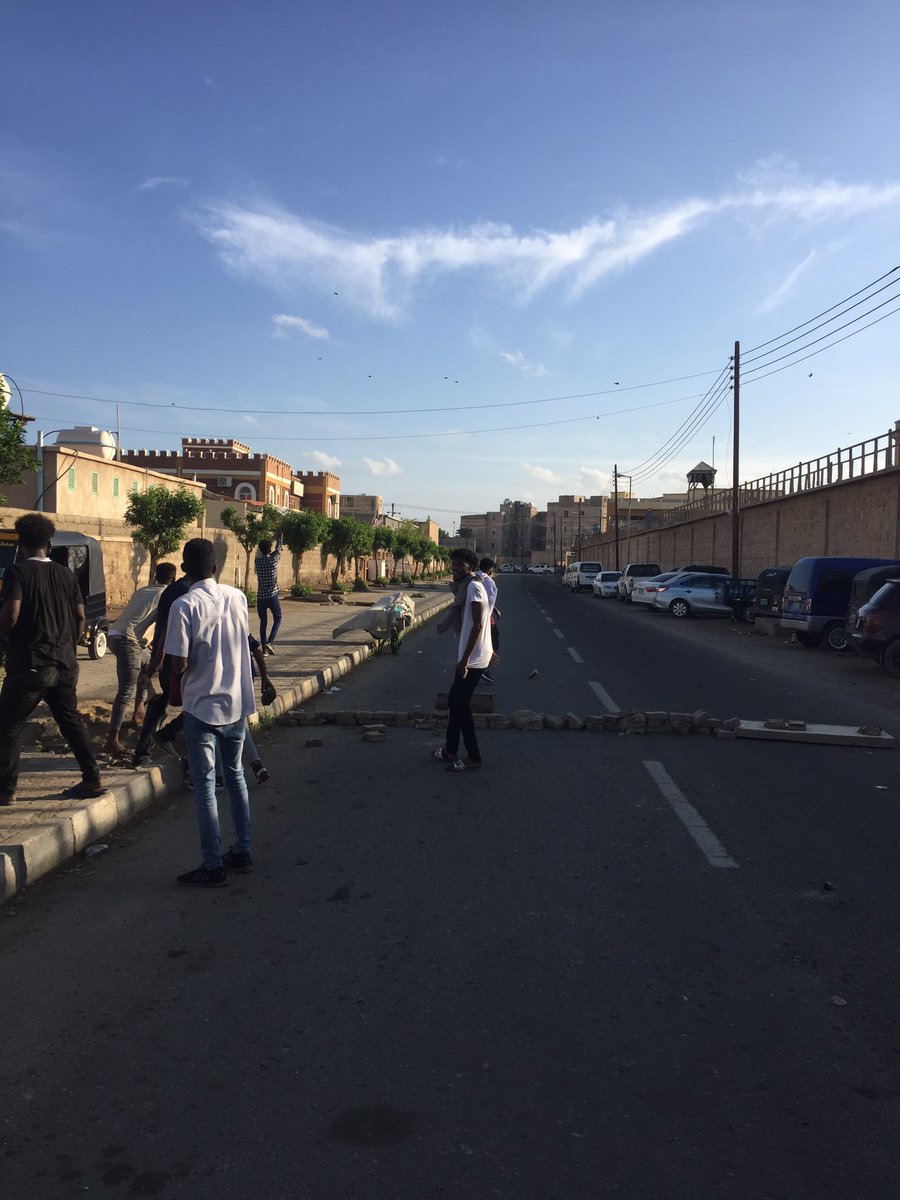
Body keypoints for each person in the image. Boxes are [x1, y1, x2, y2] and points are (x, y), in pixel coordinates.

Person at [165, 538, 255, 887]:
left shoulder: (184, 605)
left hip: (201, 707)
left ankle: (213, 864)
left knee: (205, 786)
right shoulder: (238, 597)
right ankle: (243, 850)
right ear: (215, 567)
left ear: (185, 570)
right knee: (235, 776)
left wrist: (174, 676)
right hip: (236, 705)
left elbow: (180, 662)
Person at [0, 513, 106, 804]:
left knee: (8, 725)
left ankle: (6, 790)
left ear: (21, 545)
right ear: (48, 544)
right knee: (70, 721)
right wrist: (67, 644)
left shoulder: (17, 573)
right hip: (65, 664)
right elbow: (81, 616)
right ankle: (92, 778)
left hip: (31, 663)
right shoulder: (66, 575)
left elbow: (11, 613)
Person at [103, 563, 176, 756]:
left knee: (146, 668)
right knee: (127, 689)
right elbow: (161, 626)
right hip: (127, 640)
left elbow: (138, 617)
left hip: (118, 635)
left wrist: (149, 645)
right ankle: (112, 740)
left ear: (154, 575)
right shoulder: (166, 595)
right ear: (173, 579)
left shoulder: (142, 590)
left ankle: (138, 714)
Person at [432, 548, 493, 772]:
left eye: (459, 564)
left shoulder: (474, 587)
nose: (454, 568)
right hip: (474, 655)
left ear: (470, 566)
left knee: (460, 704)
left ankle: (473, 756)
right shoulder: (467, 586)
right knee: (454, 700)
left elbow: (478, 625)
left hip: (474, 658)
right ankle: (450, 749)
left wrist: (464, 661)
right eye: (453, 564)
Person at [131, 568, 191, 767]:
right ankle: (169, 735)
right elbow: (168, 629)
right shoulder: (187, 594)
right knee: (198, 705)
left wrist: (157, 660)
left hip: (165, 657)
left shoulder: (171, 590)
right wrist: (159, 659)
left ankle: (143, 750)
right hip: (176, 660)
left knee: (159, 704)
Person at [254, 532, 283, 655]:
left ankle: (264, 648)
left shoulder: (257, 562)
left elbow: (272, 552)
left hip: (260, 596)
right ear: (269, 549)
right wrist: (279, 538)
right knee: (278, 618)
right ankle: (269, 643)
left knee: (263, 622)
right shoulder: (273, 560)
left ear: (260, 550)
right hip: (272, 595)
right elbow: (278, 550)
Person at [476, 557, 500, 683]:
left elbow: (482, 598)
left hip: (477, 618)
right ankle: (481, 670)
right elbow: (488, 602)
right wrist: (492, 611)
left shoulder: (474, 578)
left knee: (478, 645)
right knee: (493, 644)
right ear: (490, 568)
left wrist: (495, 610)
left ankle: (478, 670)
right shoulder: (489, 582)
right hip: (486, 620)